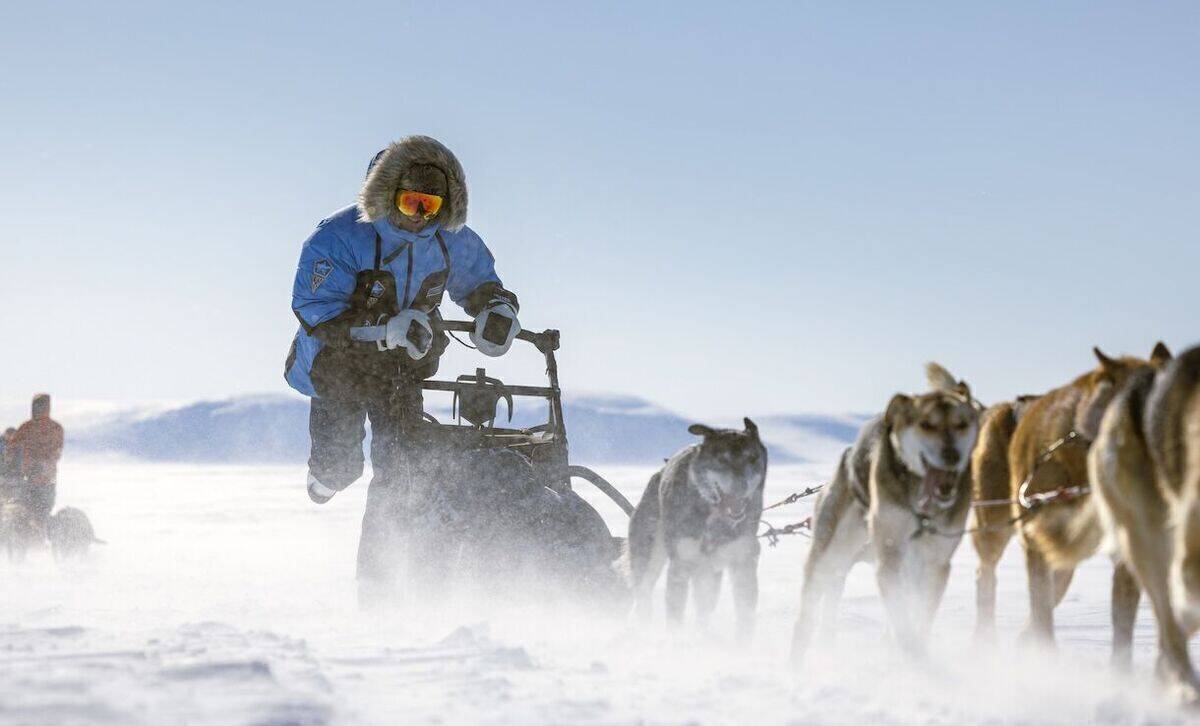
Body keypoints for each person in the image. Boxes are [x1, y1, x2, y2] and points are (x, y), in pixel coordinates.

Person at [284, 135, 521, 597]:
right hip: (340, 368)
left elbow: (482, 283)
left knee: (402, 469)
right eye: (411, 203)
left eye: (430, 205)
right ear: (385, 195)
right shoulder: (338, 237)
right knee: (342, 467)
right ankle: (326, 478)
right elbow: (313, 308)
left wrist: (495, 312)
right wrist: (381, 330)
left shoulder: (452, 242)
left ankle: (385, 583)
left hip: (402, 372)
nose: (421, 217)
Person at [8, 394, 64, 522]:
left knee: (28, 514)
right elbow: (57, 452)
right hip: (45, 480)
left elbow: (11, 449)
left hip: (32, 480)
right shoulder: (56, 428)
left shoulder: (27, 427)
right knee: (40, 515)